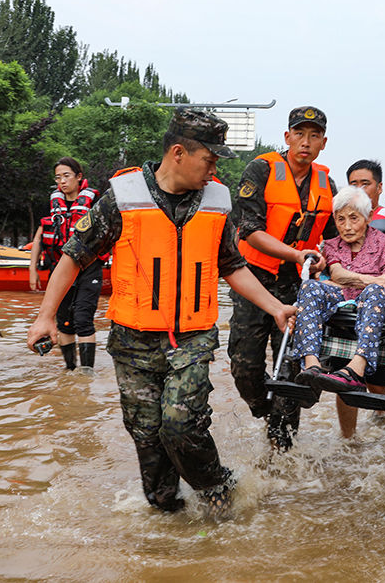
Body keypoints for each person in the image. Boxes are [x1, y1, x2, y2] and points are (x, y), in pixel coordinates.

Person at [26, 109, 296, 515]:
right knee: (147, 436)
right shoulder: (122, 195)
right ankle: (168, 520)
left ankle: (219, 487)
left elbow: (233, 266)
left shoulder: (217, 201)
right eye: (210, 158)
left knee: (181, 423)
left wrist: (275, 307)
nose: (214, 168)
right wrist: (46, 315)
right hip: (134, 341)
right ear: (178, 153)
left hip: (191, 336)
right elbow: (73, 256)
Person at [229, 106, 338, 450]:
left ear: (323, 142)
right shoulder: (260, 170)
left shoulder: (327, 184)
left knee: (291, 367)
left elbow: (333, 239)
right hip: (254, 278)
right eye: (299, 134)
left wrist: (327, 264)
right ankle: (261, 407)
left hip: (298, 285)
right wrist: (295, 253)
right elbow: (249, 230)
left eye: (314, 136)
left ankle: (281, 450)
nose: (306, 142)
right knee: (244, 365)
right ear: (287, 136)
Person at [287, 186, 385, 438]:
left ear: (368, 218)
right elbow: (336, 275)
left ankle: (357, 368)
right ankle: (311, 366)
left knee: (375, 293)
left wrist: (353, 281)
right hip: (341, 300)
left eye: (354, 218)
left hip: (374, 302)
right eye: (341, 219)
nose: (347, 226)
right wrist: (371, 278)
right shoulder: (331, 245)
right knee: (309, 288)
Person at [29, 157, 104, 370]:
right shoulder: (55, 205)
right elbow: (40, 237)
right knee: (65, 323)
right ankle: (70, 371)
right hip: (59, 267)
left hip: (89, 267)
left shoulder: (95, 204)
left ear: (79, 177)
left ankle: (87, 373)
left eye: (66, 176)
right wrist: (32, 269)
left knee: (83, 319)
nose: (62, 182)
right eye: (58, 178)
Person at [347, 159, 385, 254]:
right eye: (354, 185)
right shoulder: (341, 219)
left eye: (365, 184)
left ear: (379, 188)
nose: (359, 190)